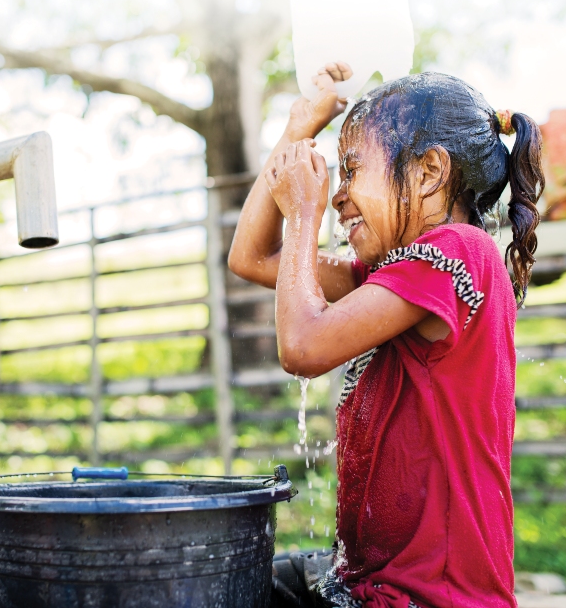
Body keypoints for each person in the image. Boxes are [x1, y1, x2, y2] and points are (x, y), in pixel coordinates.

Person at [229, 64, 545, 608]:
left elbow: (302, 347)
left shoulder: (460, 250)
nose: (338, 196)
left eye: (352, 171)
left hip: (432, 600)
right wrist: (297, 130)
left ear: (429, 173)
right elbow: (253, 258)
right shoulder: (391, 277)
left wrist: (303, 214)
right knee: (228, 577)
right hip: (374, 586)